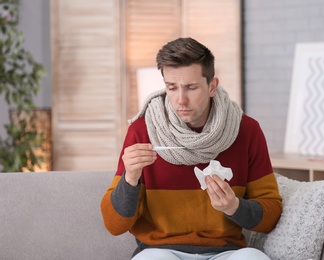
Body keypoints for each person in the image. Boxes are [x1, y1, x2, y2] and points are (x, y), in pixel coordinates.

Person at [101, 37, 282, 260]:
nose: (181, 100)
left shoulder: (246, 130)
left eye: (191, 88)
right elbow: (113, 225)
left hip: (225, 253)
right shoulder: (142, 130)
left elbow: (272, 214)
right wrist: (130, 179)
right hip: (159, 252)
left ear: (212, 86)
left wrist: (234, 207)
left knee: (254, 258)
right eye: (172, 87)